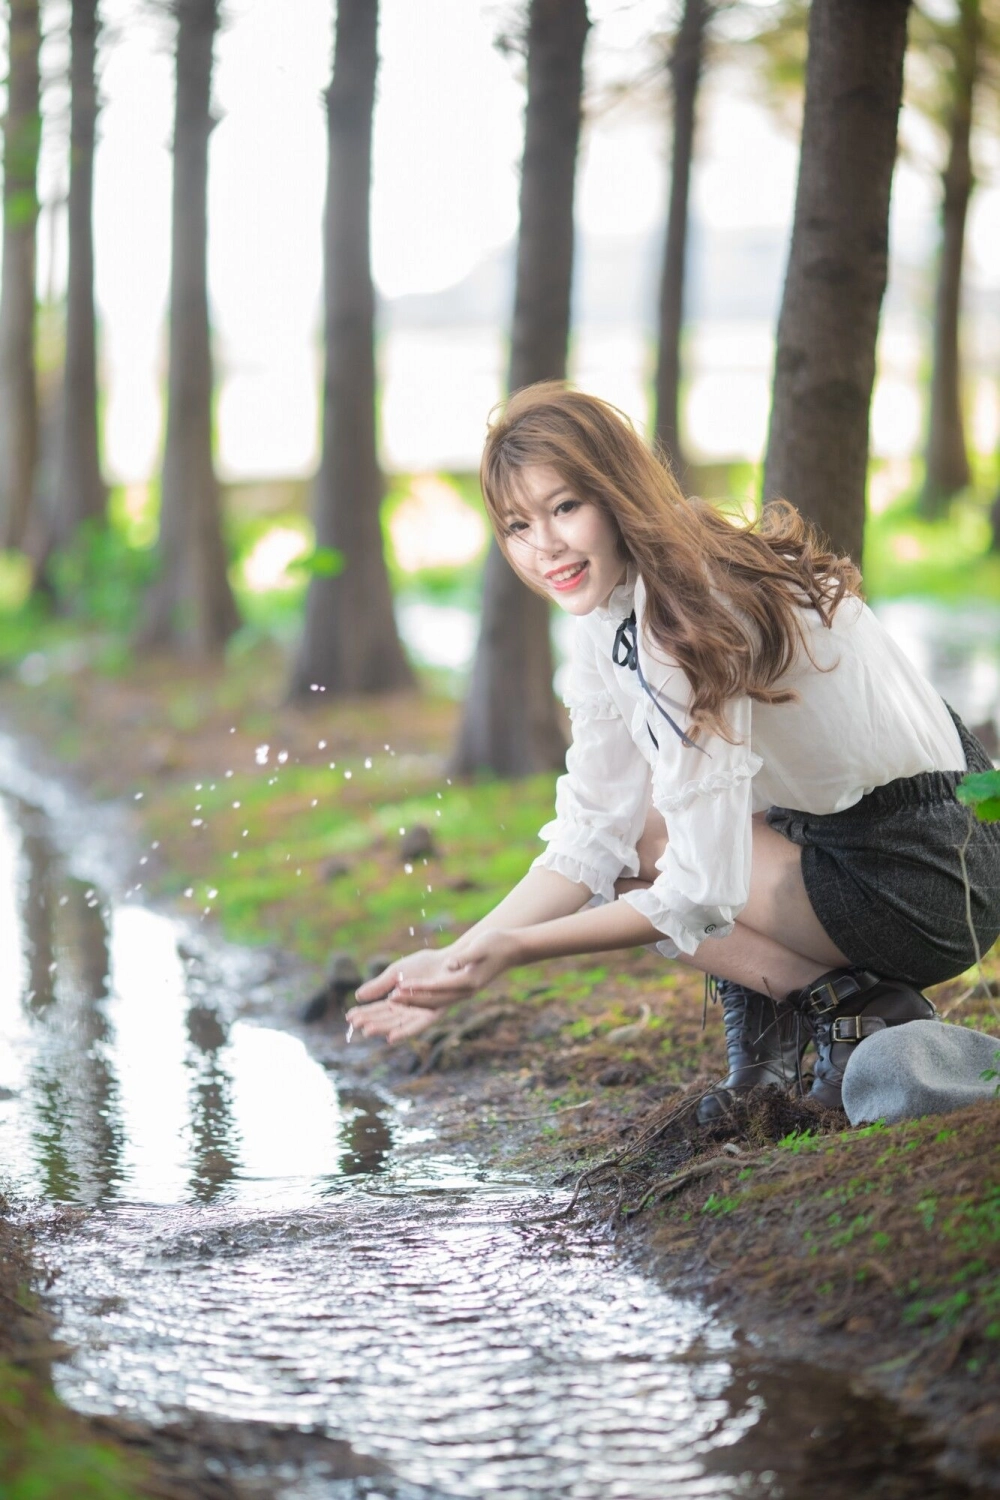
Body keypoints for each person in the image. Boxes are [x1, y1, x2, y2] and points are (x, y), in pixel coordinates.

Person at [347, 383, 1000, 1118]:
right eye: (517, 524)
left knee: (646, 858)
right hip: (887, 843)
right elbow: (592, 829)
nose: (544, 546)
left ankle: (851, 1011)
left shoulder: (682, 612)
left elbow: (697, 886)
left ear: (615, 493)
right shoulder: (620, 604)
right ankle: (838, 1006)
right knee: (626, 839)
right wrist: (457, 960)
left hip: (928, 869)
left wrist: (515, 952)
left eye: (565, 508)